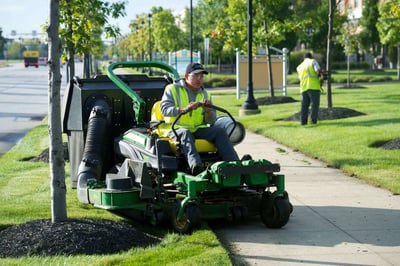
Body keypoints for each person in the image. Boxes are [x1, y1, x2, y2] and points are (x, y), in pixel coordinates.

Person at [160, 62, 239, 175]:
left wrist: (208, 112)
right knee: (185, 133)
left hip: (197, 129)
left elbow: (211, 122)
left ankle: (234, 164)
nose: (199, 79)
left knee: (219, 131)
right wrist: (183, 109)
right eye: (196, 76)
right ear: (187, 76)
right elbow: (164, 109)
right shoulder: (172, 89)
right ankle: (196, 167)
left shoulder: (205, 94)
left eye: (201, 76)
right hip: (175, 128)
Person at [296, 52, 323, 125]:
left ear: (304, 58)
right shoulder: (313, 61)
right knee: (314, 105)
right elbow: (317, 70)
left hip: (303, 88)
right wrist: (321, 75)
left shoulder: (299, 67)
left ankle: (303, 121)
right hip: (313, 87)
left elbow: (300, 78)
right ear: (311, 57)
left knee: (304, 106)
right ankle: (313, 121)